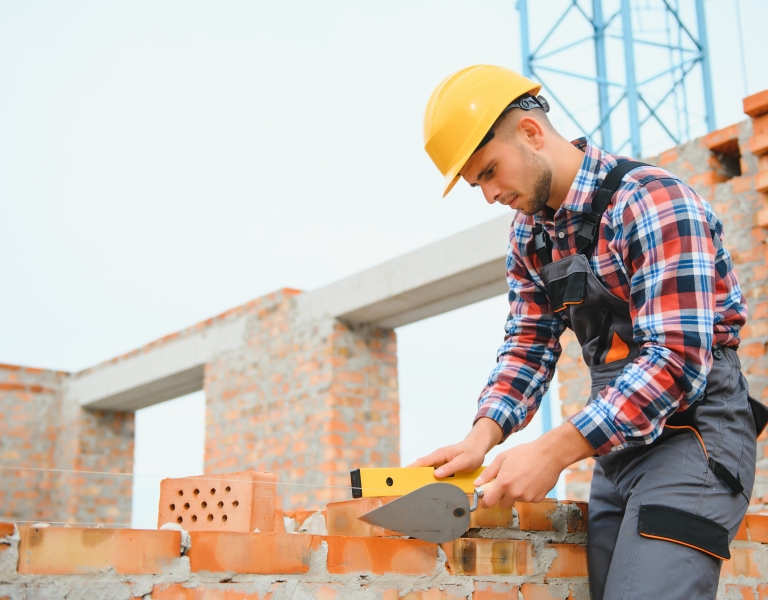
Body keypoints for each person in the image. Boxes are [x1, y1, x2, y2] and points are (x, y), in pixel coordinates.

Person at [411, 64, 767, 600]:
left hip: (695, 437)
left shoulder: (651, 201)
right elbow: (527, 346)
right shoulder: (529, 236)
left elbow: (675, 361)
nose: (488, 195)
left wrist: (553, 452)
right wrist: (479, 437)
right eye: (476, 184)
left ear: (531, 133)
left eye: (489, 171)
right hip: (616, 450)